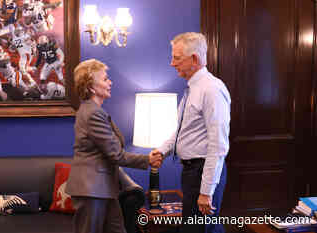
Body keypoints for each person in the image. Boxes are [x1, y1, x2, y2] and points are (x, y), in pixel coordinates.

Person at [65, 59, 162, 233]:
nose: (110, 82)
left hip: (102, 188)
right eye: (105, 79)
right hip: (91, 189)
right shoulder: (93, 113)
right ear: (91, 87)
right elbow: (116, 154)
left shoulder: (93, 110)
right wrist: (147, 159)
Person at [152, 32, 231, 233]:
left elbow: (218, 145)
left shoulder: (211, 89)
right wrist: (163, 150)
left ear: (194, 59)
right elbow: (181, 132)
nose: (172, 63)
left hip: (203, 171)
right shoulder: (192, 88)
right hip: (191, 172)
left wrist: (206, 191)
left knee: (202, 230)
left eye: (176, 58)